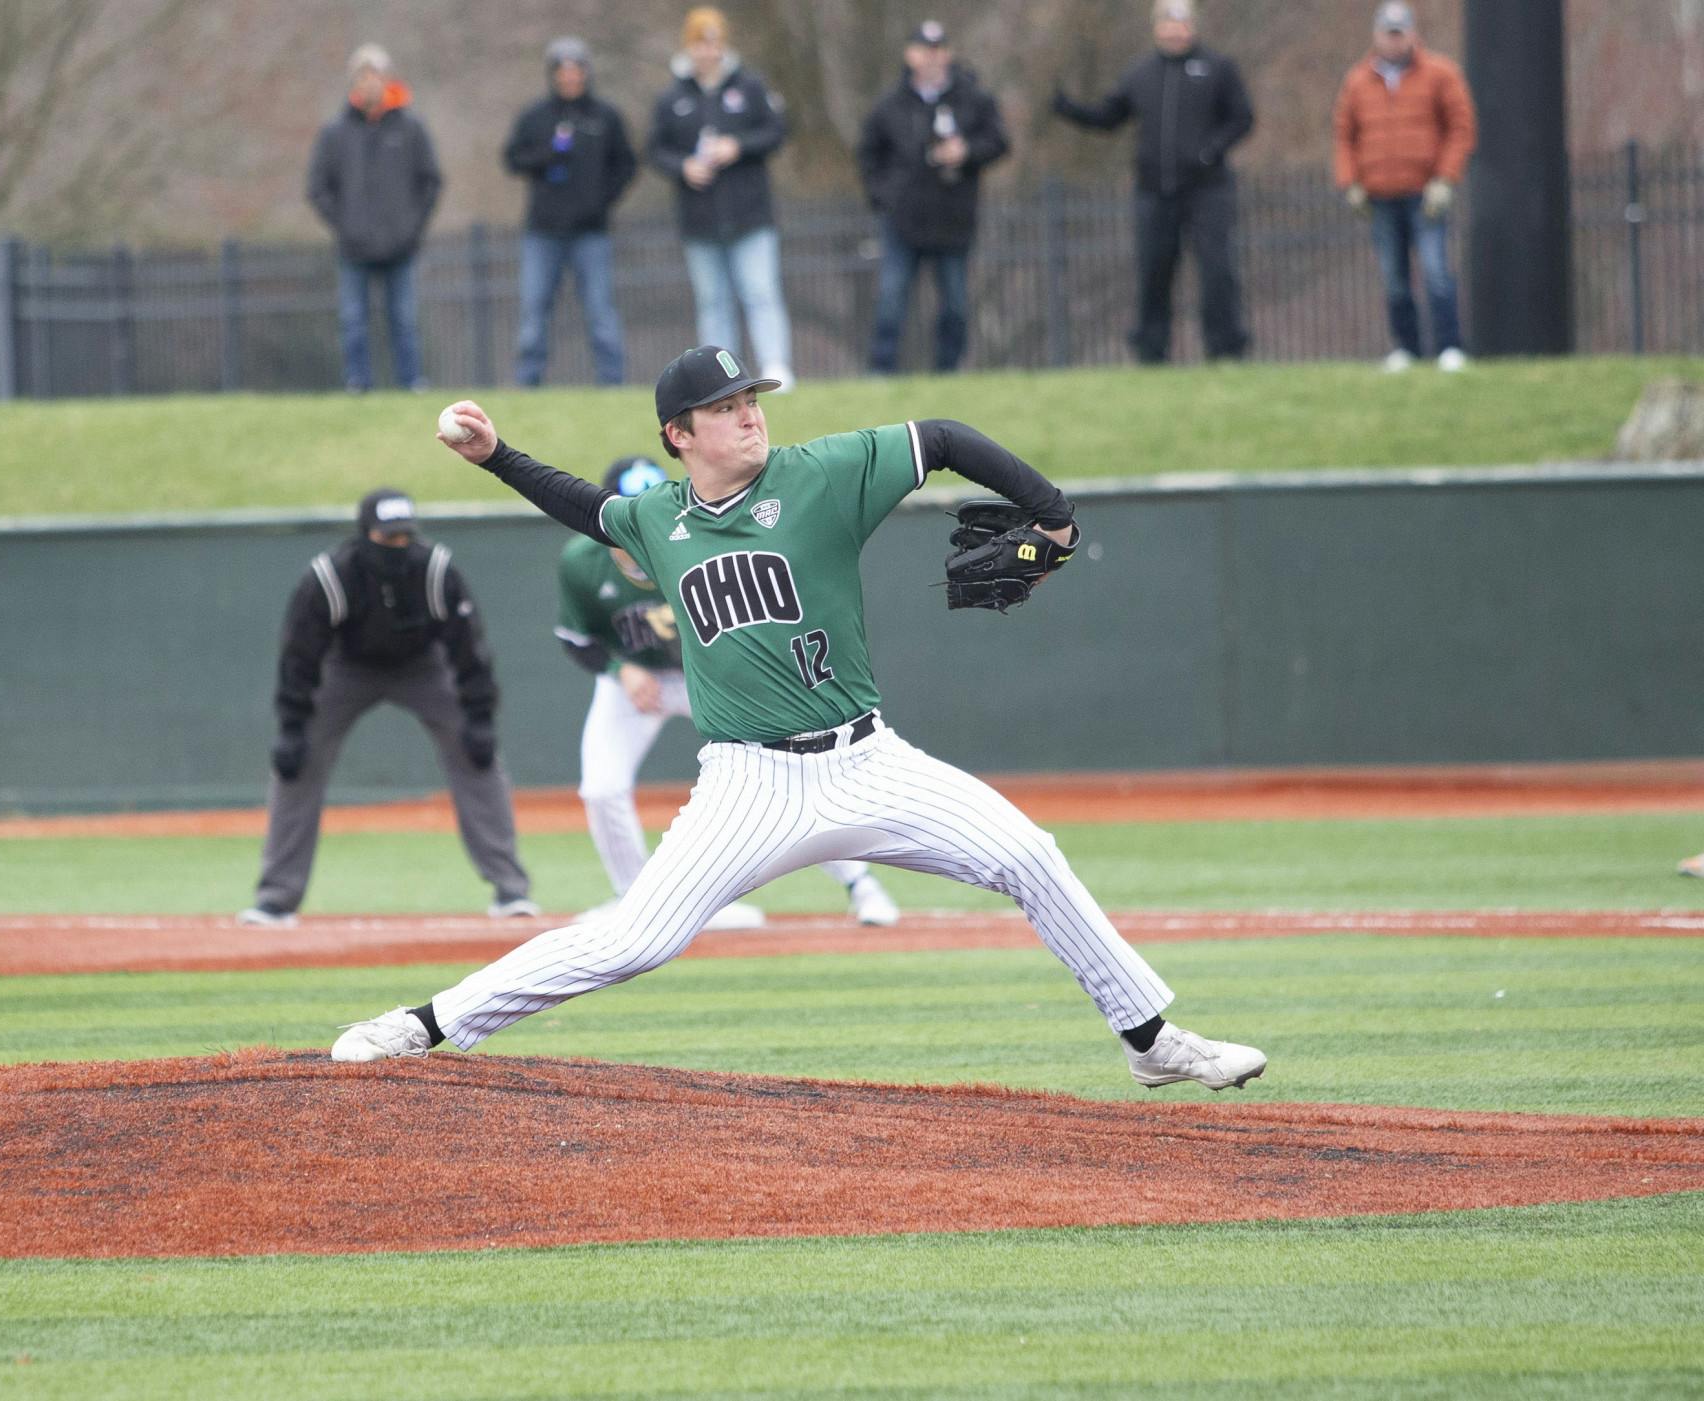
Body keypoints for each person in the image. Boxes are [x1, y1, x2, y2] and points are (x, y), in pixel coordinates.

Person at [328, 345, 1267, 1096]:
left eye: (753, 397)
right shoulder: (662, 520)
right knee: (635, 939)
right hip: (749, 782)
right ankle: (425, 1023)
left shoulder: (819, 476)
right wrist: (497, 457)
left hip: (870, 760)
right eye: (728, 405)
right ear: (679, 433)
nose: (751, 413)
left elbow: (938, 435)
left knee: (1028, 854)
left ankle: (1150, 1040)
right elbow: (588, 509)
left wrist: (1052, 515)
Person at [556, 454, 901, 931]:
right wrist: (621, 670)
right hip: (642, 682)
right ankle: (631, 902)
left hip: (717, 676)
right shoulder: (582, 563)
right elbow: (575, 638)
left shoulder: (691, 538)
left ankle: (861, 883)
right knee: (601, 787)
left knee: (789, 774)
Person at [239, 490, 536, 927]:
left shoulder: (435, 569)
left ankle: (511, 888)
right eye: (386, 537)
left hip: (423, 667)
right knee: (296, 764)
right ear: (365, 534)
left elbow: (470, 650)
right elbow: (298, 657)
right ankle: (276, 898)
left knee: (477, 756)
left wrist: (479, 717)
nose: (397, 547)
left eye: (404, 538)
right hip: (346, 668)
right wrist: (291, 727)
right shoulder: (329, 576)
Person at [1052, 0, 1254, 364]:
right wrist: (1069, 109)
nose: (1174, 30)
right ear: (1156, 27)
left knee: (1217, 269)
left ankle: (1226, 348)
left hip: (1208, 189)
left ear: (1193, 26)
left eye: (1181, 23)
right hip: (1153, 191)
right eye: (1167, 23)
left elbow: (1242, 118)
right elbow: (1109, 116)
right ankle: (1150, 351)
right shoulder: (1140, 73)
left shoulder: (1217, 68)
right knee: (1153, 272)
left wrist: (1210, 150)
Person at [647, 7, 796, 389]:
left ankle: (776, 366)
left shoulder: (749, 87)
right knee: (713, 302)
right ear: (689, 46)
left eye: (713, 42)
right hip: (700, 219)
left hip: (750, 215)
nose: (707, 51)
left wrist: (738, 146)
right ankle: (720, 380)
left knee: (760, 292)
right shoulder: (672, 98)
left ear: (723, 45)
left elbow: (776, 131)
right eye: (700, 42)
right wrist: (683, 167)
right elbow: (655, 150)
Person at [856, 20, 1009, 375]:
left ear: (949, 54)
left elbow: (999, 141)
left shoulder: (972, 98)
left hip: (953, 217)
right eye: (925, 50)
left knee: (954, 303)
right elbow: (868, 155)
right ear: (910, 55)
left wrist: (967, 151)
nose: (932, 58)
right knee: (891, 300)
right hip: (903, 219)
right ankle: (881, 372)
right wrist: (883, 197)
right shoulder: (890, 104)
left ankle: (948, 371)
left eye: (939, 50)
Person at [1333, 1, 1477, 374]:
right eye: (1387, 33)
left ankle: (1449, 346)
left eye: (1399, 33)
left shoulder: (1440, 74)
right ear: (1376, 35)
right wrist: (1350, 183)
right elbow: (1344, 136)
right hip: (1380, 195)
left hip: (1425, 193)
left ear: (1412, 34)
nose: (1393, 41)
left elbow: (1461, 129)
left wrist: (1445, 179)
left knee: (1436, 273)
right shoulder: (1357, 80)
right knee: (1394, 279)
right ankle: (1407, 349)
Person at [306, 45, 442, 392]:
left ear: (387, 79)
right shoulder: (335, 132)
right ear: (354, 83)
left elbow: (431, 182)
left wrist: (412, 228)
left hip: (401, 246)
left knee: (406, 320)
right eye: (362, 77)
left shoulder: (411, 128)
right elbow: (317, 188)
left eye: (375, 76)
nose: (369, 84)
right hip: (354, 249)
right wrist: (345, 227)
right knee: (353, 321)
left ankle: (412, 382)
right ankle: (358, 384)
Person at [504, 37, 638, 388]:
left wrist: (601, 199)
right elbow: (513, 158)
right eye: (562, 72)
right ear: (553, 75)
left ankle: (612, 383)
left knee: (600, 313)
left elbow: (626, 164)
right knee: (534, 314)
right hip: (543, 231)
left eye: (576, 70)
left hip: (590, 232)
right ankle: (528, 383)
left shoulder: (605, 116)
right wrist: (546, 155)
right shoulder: (535, 117)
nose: (569, 78)